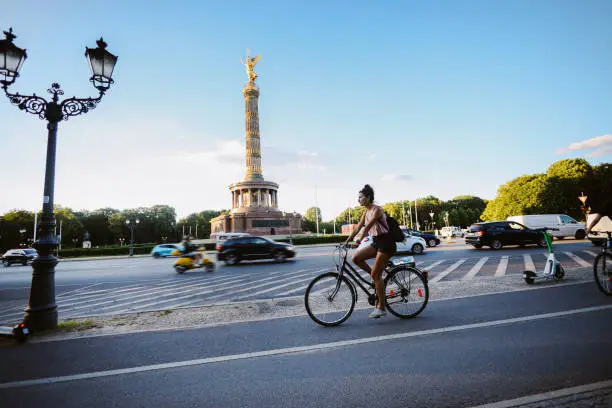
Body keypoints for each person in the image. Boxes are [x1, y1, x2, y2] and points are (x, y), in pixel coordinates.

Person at [344, 184, 396, 319]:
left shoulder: (377, 210)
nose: (358, 199)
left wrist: (359, 240)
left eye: (360, 197)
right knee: (356, 259)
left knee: (375, 274)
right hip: (376, 242)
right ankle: (377, 279)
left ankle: (382, 308)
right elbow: (357, 228)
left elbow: (368, 227)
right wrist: (346, 241)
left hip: (386, 243)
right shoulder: (365, 212)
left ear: (368, 197)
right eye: (358, 197)